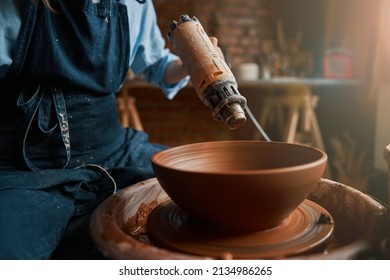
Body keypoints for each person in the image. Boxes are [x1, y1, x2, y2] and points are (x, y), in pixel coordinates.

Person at [0, 0, 223, 259]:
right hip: (24, 169)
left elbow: (158, 66)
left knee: (214, 192)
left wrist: (189, 62)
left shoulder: (134, 3)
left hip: (115, 151)